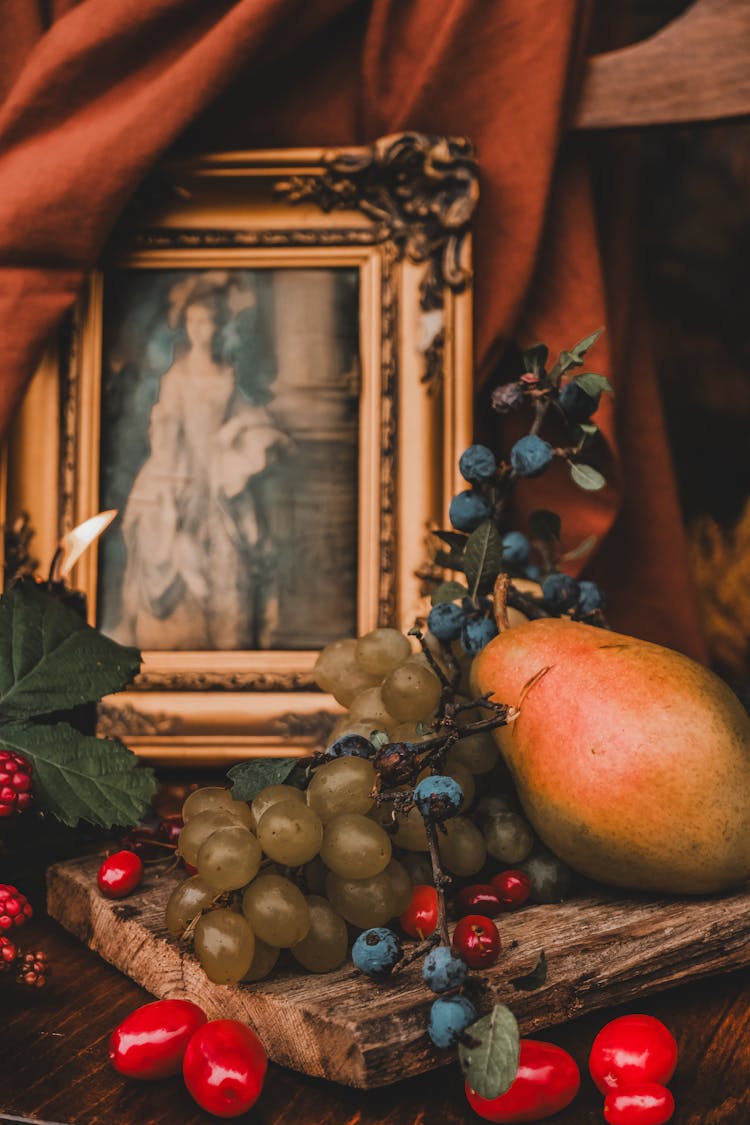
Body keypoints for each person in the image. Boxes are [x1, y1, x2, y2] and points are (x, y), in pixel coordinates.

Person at [113, 280, 290, 650]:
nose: (200, 330)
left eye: (207, 322)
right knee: (168, 537)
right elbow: (166, 427)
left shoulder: (226, 376)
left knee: (235, 547)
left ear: (217, 326)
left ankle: (226, 644)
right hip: (183, 467)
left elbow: (246, 413)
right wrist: (171, 476)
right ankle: (178, 644)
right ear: (186, 326)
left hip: (217, 471)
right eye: (193, 322)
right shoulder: (176, 377)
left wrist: (239, 429)